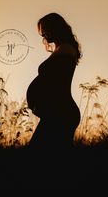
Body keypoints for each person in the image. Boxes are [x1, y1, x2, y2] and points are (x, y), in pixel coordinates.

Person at [26, 12, 82, 152]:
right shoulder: (61, 49)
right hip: (56, 113)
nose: (44, 34)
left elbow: (56, 83)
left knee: (39, 156)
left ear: (56, 28)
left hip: (61, 113)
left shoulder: (66, 49)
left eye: (46, 29)